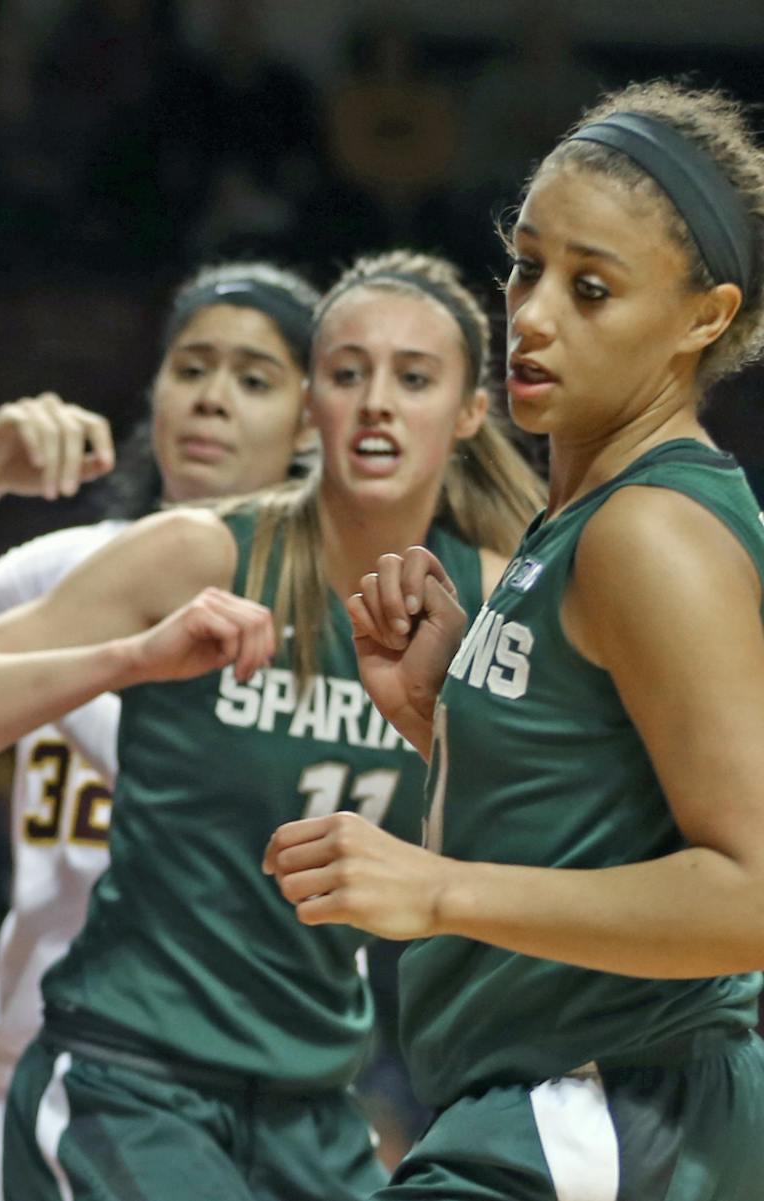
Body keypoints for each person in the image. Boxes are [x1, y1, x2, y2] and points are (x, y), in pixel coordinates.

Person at [0, 249, 543, 1199]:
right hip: (127, 1077)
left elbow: (567, 836)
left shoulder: (496, 600)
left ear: (471, 411)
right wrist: (131, 660)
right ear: (316, 407)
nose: (378, 402)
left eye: (415, 377)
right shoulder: (191, 554)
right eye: (349, 374)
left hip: (311, 1091)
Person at [266, 80, 764, 1199]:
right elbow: (604, 804)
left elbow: (751, 895)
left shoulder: (650, 533)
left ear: (703, 316)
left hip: (617, 1110)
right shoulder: (591, 514)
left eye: (591, 289)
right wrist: (451, 720)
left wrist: (435, 888)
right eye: (527, 265)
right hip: (566, 1109)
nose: (532, 315)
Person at [0, 261, 321, 1200]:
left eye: (254, 378)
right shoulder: (73, 573)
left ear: (313, 422)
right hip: (39, 1086)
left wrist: (90, 690)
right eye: (191, 368)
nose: (213, 399)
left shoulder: (348, 613)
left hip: (242, 1098)